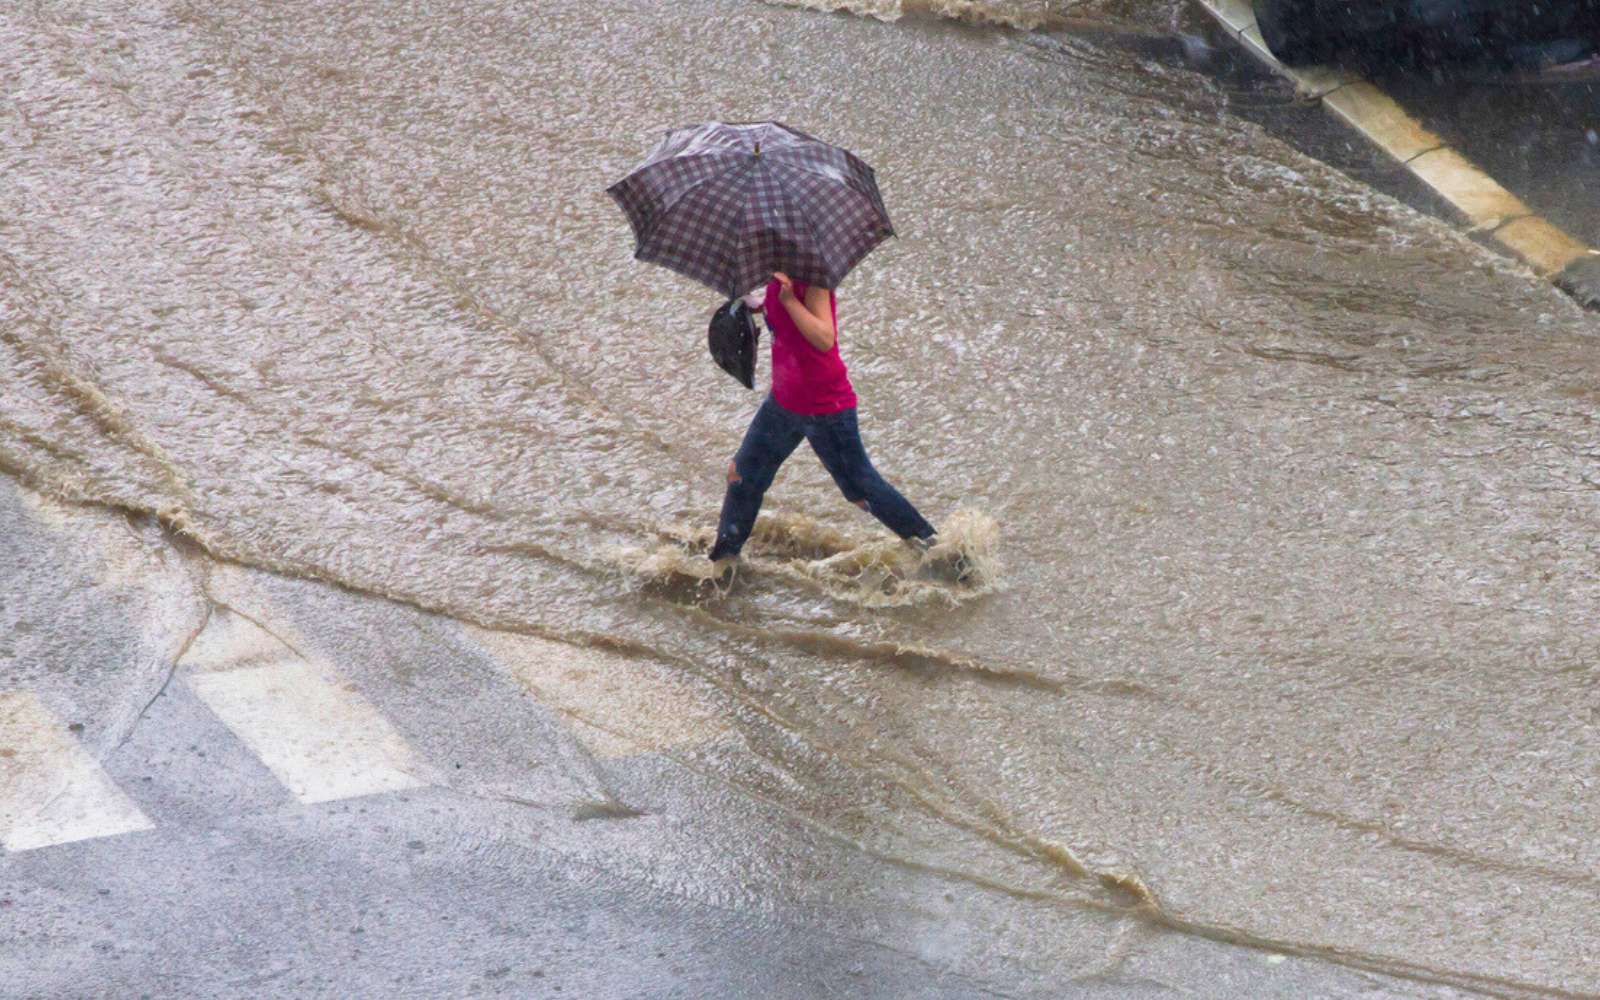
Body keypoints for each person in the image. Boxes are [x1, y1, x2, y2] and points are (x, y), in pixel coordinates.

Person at [708, 271, 939, 573]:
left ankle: (932, 549)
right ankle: (723, 563)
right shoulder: (778, 275)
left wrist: (790, 302)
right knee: (742, 475)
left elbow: (823, 337)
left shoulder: (813, 276)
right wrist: (757, 303)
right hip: (783, 402)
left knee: (860, 489)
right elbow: (780, 314)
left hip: (825, 408)